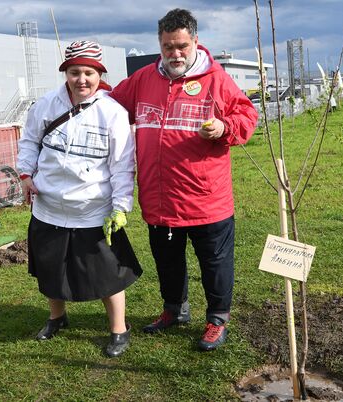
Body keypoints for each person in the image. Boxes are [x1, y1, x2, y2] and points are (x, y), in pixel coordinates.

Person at [110, 9, 258, 351]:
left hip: (207, 199)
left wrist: (224, 128)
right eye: (167, 47)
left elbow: (247, 114)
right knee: (167, 261)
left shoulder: (216, 79)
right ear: (159, 45)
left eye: (180, 46)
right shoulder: (144, 79)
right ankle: (174, 310)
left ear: (194, 41)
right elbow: (112, 105)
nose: (175, 54)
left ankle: (217, 319)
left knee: (215, 264)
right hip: (160, 199)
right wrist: (87, 83)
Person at [17, 40, 142, 358]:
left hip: (93, 210)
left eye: (89, 72)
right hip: (48, 207)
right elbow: (30, 141)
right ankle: (56, 318)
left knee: (106, 274)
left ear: (100, 74)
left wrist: (121, 206)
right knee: (49, 268)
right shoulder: (45, 105)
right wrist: (26, 175)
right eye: (75, 72)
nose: (82, 79)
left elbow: (122, 165)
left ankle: (118, 329)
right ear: (66, 73)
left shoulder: (113, 113)